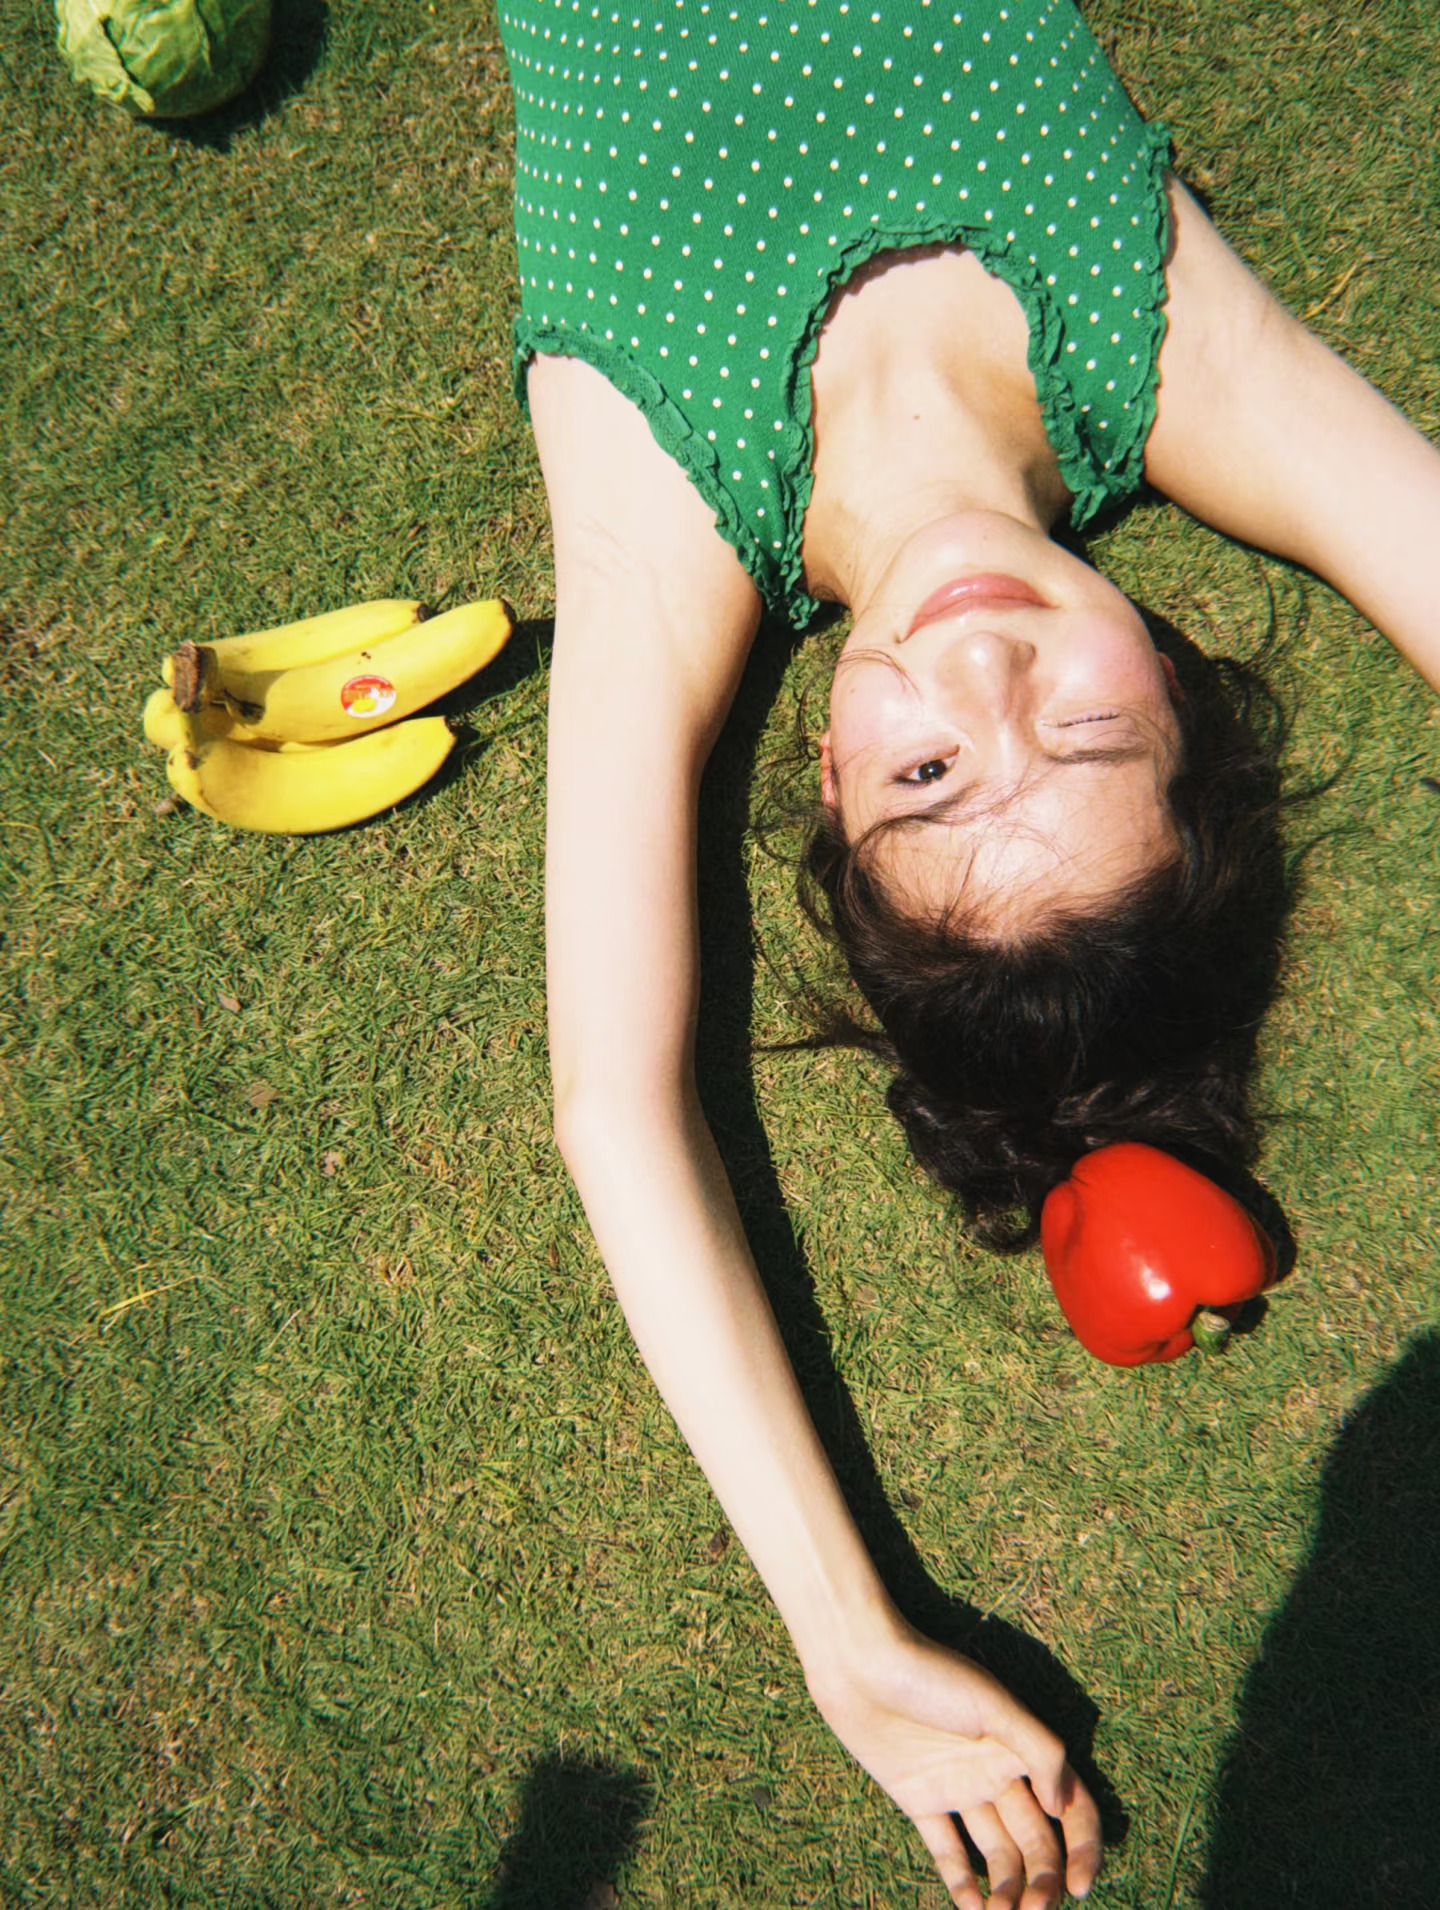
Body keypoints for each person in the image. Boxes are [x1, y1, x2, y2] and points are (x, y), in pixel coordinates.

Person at [499, 2, 1440, 1903]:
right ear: (1174, 681)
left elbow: (616, 1096)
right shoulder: (1157, 343)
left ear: (830, 798)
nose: (983, 667)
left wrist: (851, 1640)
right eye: (1086, 736)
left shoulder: (666, 507)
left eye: (926, 777)